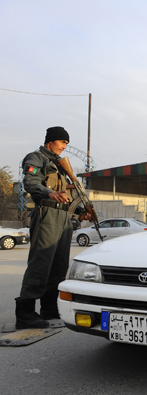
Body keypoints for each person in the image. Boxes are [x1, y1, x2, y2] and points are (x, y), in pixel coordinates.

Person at [16, 127, 91, 329]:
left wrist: (82, 210)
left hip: (63, 216)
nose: (64, 147)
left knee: (58, 266)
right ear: (51, 141)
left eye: (66, 144)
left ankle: (48, 308)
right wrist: (48, 193)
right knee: (41, 263)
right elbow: (30, 183)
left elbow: (68, 195)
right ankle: (25, 313)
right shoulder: (36, 158)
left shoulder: (59, 165)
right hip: (47, 214)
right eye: (63, 142)